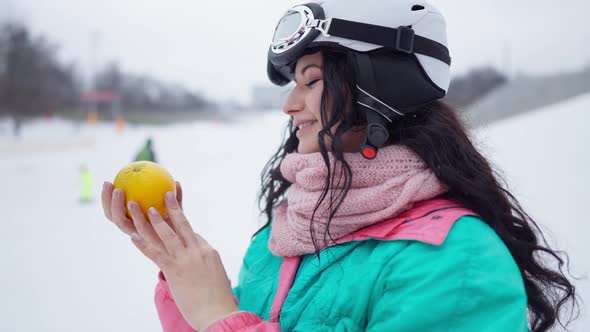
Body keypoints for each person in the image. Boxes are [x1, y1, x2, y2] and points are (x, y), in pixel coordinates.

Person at [101, 1, 578, 331]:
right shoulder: (289, 233)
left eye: (311, 81)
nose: (289, 105)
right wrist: (183, 274)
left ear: (380, 88)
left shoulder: (456, 261)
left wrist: (216, 316)